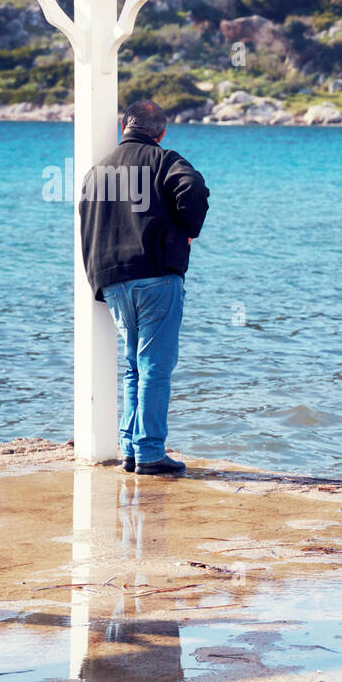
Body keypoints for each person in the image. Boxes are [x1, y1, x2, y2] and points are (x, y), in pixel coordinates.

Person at [79, 99, 210, 475]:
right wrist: (186, 232)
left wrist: (98, 278)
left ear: (125, 127)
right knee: (154, 367)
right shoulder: (165, 159)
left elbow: (86, 223)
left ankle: (130, 449)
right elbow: (193, 189)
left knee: (134, 367)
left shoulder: (96, 172)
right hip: (156, 276)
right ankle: (150, 452)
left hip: (114, 281)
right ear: (161, 132)